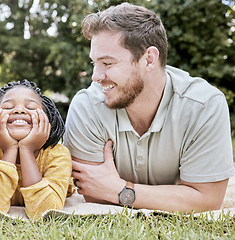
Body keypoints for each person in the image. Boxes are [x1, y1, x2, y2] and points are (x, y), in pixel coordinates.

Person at [63, 3, 234, 213]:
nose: (96, 76)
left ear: (149, 59)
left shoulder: (204, 106)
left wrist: (120, 190)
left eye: (107, 63)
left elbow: (207, 201)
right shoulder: (86, 107)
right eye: (94, 63)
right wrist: (179, 197)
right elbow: (93, 194)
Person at [0, 80, 75, 219]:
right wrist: (10, 150)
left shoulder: (58, 154)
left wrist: (26, 149)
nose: (19, 110)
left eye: (31, 107)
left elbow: (45, 212)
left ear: (47, 119)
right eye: (8, 107)